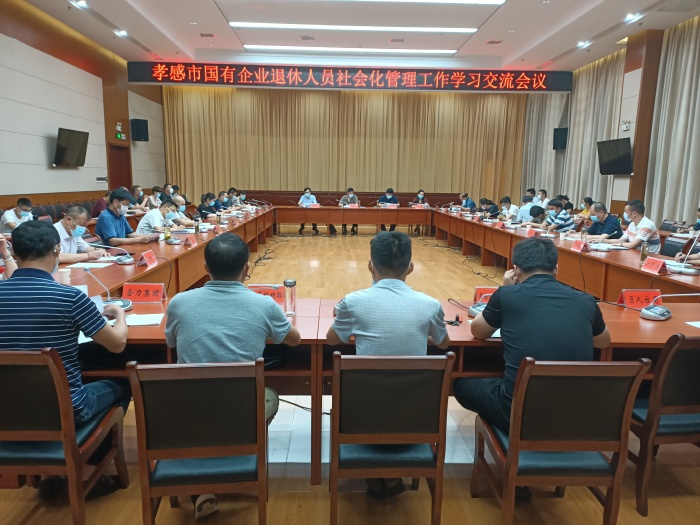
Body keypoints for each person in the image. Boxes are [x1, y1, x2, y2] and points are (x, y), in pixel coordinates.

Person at [165, 232, 301, 519]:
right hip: (241, 410)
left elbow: (170, 343)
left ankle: (202, 477)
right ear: (246, 268)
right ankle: (239, 448)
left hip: (186, 410)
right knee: (269, 396)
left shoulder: (179, 302)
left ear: (205, 268)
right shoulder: (263, 304)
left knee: (202, 405)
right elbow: (294, 340)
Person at [0, 221, 131, 499]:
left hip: (6, 410)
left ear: (14, 253)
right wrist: (119, 315)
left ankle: (50, 474)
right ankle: (90, 466)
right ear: (57, 250)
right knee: (123, 381)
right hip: (66, 410)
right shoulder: (69, 297)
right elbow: (117, 344)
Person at [326, 231, 450, 499]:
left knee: (372, 395)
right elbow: (443, 344)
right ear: (410, 268)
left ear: (370, 267)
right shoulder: (430, 305)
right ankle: (390, 472)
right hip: (415, 416)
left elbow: (332, 339)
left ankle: (375, 472)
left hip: (361, 417)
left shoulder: (353, 301)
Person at [454, 237, 610, 433]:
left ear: (516, 270)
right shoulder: (586, 300)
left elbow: (478, 331)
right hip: (575, 413)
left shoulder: (507, 295)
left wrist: (507, 290)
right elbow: (604, 342)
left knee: (461, 384)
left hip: (517, 414)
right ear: (556, 269)